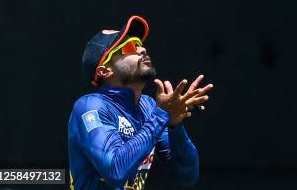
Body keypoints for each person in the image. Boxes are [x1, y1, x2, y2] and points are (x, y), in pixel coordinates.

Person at [68, 15, 213, 189]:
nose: (141, 50)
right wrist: (161, 116)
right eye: (129, 47)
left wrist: (175, 124)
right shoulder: (90, 107)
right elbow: (115, 171)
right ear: (105, 71)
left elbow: (186, 174)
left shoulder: (149, 107)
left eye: (139, 44)